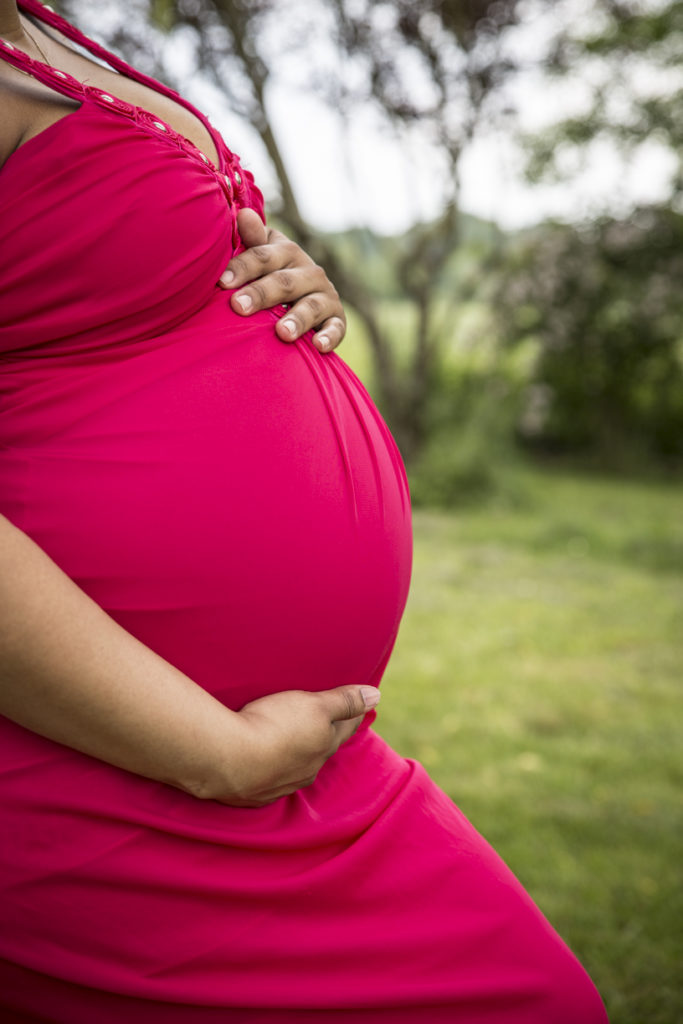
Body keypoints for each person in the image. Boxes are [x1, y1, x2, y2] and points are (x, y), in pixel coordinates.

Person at [0, 1, 609, 1020]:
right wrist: (211, 753)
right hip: (107, 763)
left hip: (261, 758)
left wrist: (250, 264)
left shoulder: (44, 32)